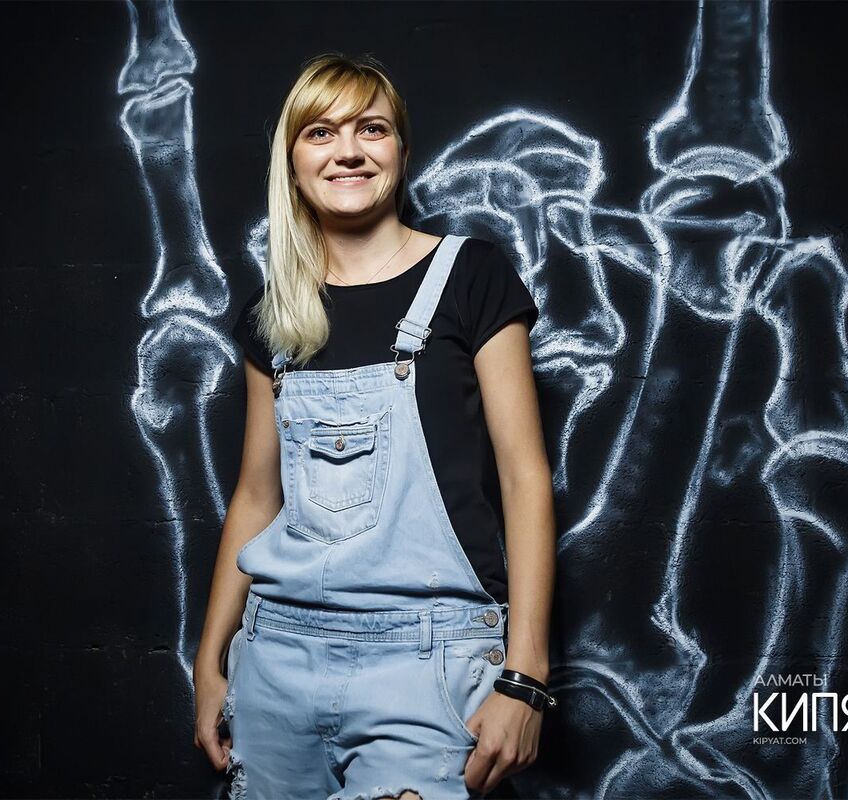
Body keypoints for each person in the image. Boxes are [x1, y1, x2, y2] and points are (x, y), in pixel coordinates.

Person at [193, 52, 557, 800]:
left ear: (401, 150)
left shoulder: (471, 275)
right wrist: (208, 661)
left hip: (429, 662)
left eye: (372, 128)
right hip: (276, 659)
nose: (348, 151)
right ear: (292, 161)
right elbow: (256, 496)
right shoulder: (275, 315)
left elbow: (524, 477)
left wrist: (526, 676)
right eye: (320, 132)